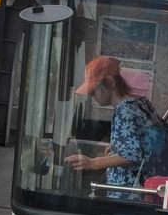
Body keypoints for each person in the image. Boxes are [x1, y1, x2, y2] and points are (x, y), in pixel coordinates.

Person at [66, 56, 162, 196]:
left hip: (128, 192)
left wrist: (93, 163)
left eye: (94, 91)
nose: (92, 96)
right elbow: (145, 141)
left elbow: (132, 156)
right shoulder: (139, 102)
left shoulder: (124, 111)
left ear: (110, 83)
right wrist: (118, 146)